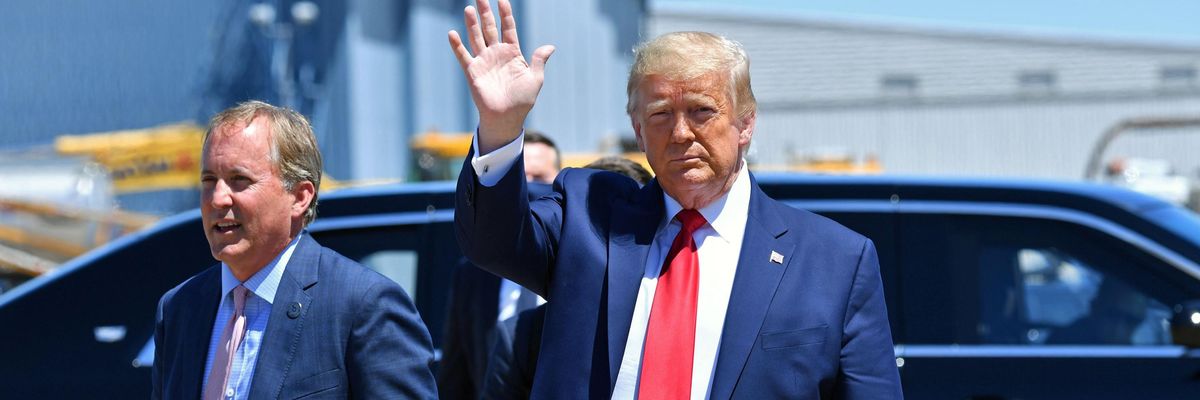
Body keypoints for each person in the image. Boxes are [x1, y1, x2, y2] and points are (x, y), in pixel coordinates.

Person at [448, 0, 903, 398]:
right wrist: (501, 127)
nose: (681, 133)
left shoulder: (835, 260)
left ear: (746, 123)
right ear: (638, 130)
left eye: (702, 111)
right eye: (661, 114)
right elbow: (491, 243)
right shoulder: (589, 217)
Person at [152, 101, 437, 399]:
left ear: (300, 197)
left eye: (240, 180)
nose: (217, 198)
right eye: (209, 180)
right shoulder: (179, 309)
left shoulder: (363, 306)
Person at [479, 156, 653, 399]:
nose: (612, 252)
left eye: (627, 235)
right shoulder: (524, 336)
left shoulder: (681, 316)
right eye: (595, 232)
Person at [437, 131, 559, 400]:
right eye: (520, 177)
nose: (528, 188)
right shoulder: (472, 273)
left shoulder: (577, 264)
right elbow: (456, 376)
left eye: (539, 178)